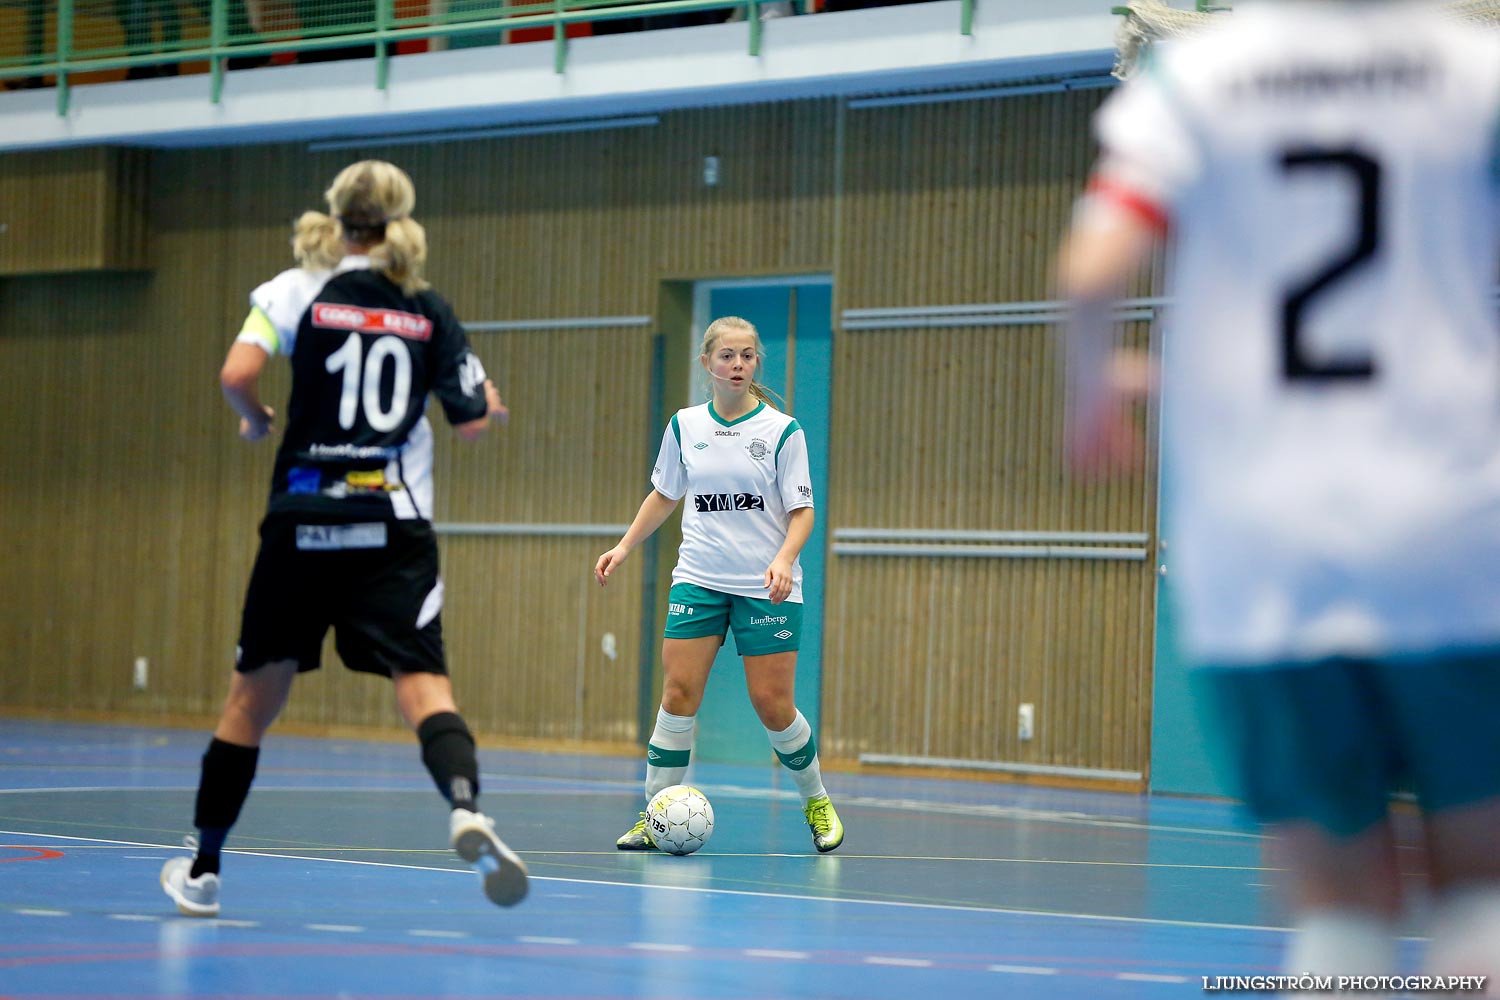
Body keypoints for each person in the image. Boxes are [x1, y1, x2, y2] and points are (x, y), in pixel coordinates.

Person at [1057, 1, 1500, 981]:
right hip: (1447, 522)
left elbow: (1091, 273)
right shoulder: (1477, 69)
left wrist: (1090, 392)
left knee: (1338, 903)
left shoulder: (1201, 77)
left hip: (1265, 538)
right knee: (1481, 886)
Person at [160, 160, 527, 917]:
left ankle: (203, 868)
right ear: (400, 218)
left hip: (302, 519)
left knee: (249, 705)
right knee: (425, 690)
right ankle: (465, 809)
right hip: (392, 526)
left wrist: (257, 414)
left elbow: (237, 371)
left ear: (336, 214)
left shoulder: (295, 290)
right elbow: (472, 422)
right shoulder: (427, 308)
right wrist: (487, 404)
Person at [594, 316, 844, 854]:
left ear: (756, 363)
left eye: (747, 356)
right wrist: (624, 546)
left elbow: (803, 513)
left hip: (765, 588)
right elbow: (664, 494)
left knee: (772, 704)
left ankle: (817, 800)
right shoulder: (684, 426)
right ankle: (655, 812)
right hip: (699, 581)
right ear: (707, 363)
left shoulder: (782, 431)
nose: (737, 366)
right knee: (678, 696)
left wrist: (783, 559)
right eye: (727, 356)